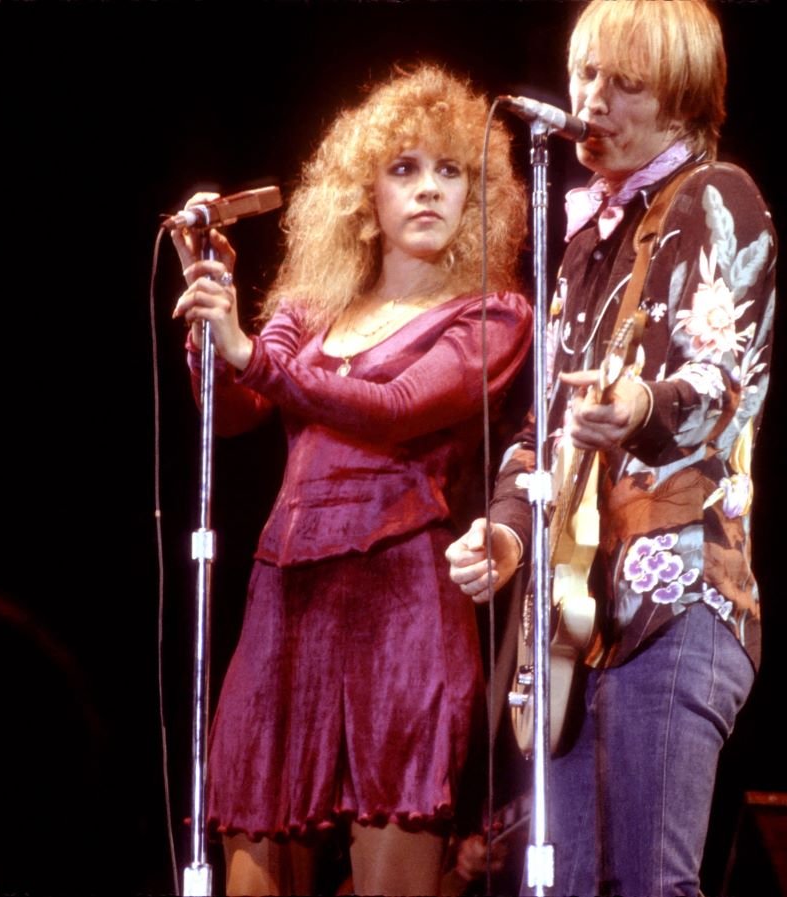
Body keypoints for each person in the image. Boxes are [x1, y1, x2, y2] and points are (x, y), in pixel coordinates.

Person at [169, 65, 532, 896]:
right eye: (404, 169)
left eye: (450, 171)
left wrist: (247, 351)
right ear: (364, 194)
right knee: (254, 870)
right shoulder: (311, 304)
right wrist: (211, 320)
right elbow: (238, 409)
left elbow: (397, 405)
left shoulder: (491, 313)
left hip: (401, 606)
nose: (429, 189)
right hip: (284, 602)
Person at [446, 2, 777, 894]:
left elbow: (721, 385)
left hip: (673, 603)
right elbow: (539, 431)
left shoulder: (721, 198)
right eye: (587, 74)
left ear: (681, 100)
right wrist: (507, 531)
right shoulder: (584, 242)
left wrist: (638, 403)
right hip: (568, 616)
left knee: (649, 882)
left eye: (625, 84)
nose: (593, 99)